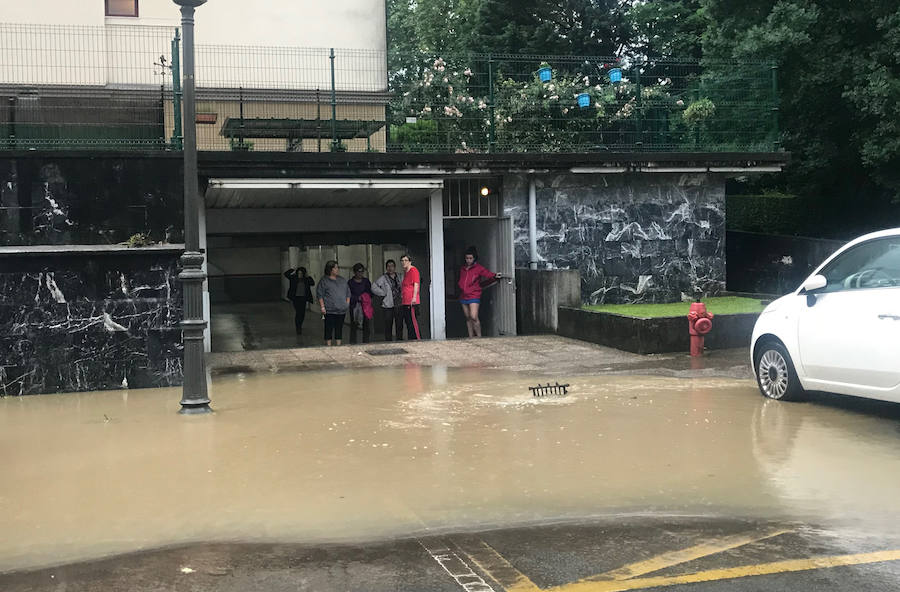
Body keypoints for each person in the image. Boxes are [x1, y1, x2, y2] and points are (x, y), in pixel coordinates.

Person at [457, 246, 501, 338]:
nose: (468, 260)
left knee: (473, 316)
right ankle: (471, 337)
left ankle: (479, 336)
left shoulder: (478, 268)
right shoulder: (463, 269)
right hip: (463, 295)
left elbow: (487, 273)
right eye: (467, 258)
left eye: (470, 258)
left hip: (474, 295)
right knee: (468, 317)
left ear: (474, 258)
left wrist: (495, 276)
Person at [316, 260, 350, 346]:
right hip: (329, 310)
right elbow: (320, 295)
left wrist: (347, 304)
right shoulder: (324, 281)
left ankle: (338, 344)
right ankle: (329, 344)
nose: (337, 269)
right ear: (330, 269)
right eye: (335, 267)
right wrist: (322, 307)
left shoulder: (342, 280)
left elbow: (348, 293)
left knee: (339, 328)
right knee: (329, 328)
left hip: (341, 309)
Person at [371, 259, 404, 341]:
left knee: (399, 325)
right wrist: (383, 293)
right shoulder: (383, 278)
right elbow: (373, 286)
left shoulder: (400, 276)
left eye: (392, 266)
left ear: (395, 267)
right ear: (386, 268)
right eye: (388, 266)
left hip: (399, 304)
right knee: (388, 325)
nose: (390, 268)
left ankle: (400, 341)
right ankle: (388, 342)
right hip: (388, 305)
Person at [283, 266, 314, 335]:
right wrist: (293, 269)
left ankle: (300, 325)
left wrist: (307, 276)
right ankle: (298, 327)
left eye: (301, 273)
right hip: (296, 299)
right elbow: (286, 274)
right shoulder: (294, 278)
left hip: (303, 299)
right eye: (299, 273)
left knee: (302, 314)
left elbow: (312, 283)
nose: (300, 275)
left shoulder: (306, 279)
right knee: (298, 313)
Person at [348, 263, 373, 344]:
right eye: (359, 272)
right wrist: (356, 298)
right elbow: (348, 295)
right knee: (354, 324)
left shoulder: (366, 281)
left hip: (365, 306)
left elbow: (370, 293)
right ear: (355, 272)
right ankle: (353, 342)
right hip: (354, 305)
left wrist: (365, 297)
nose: (360, 274)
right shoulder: (350, 282)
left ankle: (366, 341)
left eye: (362, 272)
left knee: (366, 324)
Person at [399, 254, 422, 340]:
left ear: (410, 262)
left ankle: (417, 339)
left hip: (411, 301)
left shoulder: (413, 270)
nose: (404, 262)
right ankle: (411, 339)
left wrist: (414, 297)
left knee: (413, 321)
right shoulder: (406, 272)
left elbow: (416, 284)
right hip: (405, 300)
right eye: (402, 261)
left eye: (406, 260)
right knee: (408, 322)